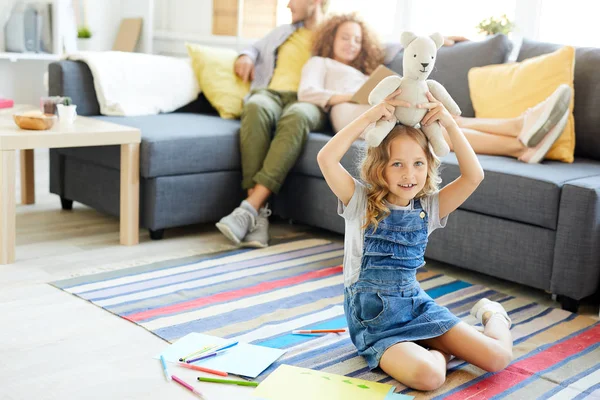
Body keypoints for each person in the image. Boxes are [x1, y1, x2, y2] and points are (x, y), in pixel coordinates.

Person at [316, 89, 513, 391]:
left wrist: (449, 124)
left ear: (428, 165)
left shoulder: (429, 208)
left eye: (418, 163)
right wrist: (370, 116)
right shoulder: (360, 201)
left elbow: (474, 175)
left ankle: (492, 312)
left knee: (498, 358)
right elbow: (326, 158)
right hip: (375, 322)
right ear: (379, 166)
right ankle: (440, 349)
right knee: (429, 377)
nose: (409, 174)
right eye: (397, 164)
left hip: (416, 306)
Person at [299, 13, 572, 164]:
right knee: (437, 127)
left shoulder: (367, 70)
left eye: (357, 39)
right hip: (353, 112)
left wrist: (440, 41)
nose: (352, 44)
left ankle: (519, 128)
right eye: (345, 37)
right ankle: (518, 142)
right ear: (331, 38)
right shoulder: (319, 62)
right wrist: (353, 95)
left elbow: (405, 47)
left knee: (441, 117)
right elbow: (306, 92)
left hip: (385, 103)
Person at [215, 0, 329, 249]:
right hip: (272, 94)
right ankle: (257, 217)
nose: (288, 5)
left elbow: (374, 52)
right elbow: (254, 47)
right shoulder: (284, 32)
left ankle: (250, 209)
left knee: (297, 116)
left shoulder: (334, 33)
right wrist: (246, 55)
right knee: (255, 107)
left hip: (308, 101)